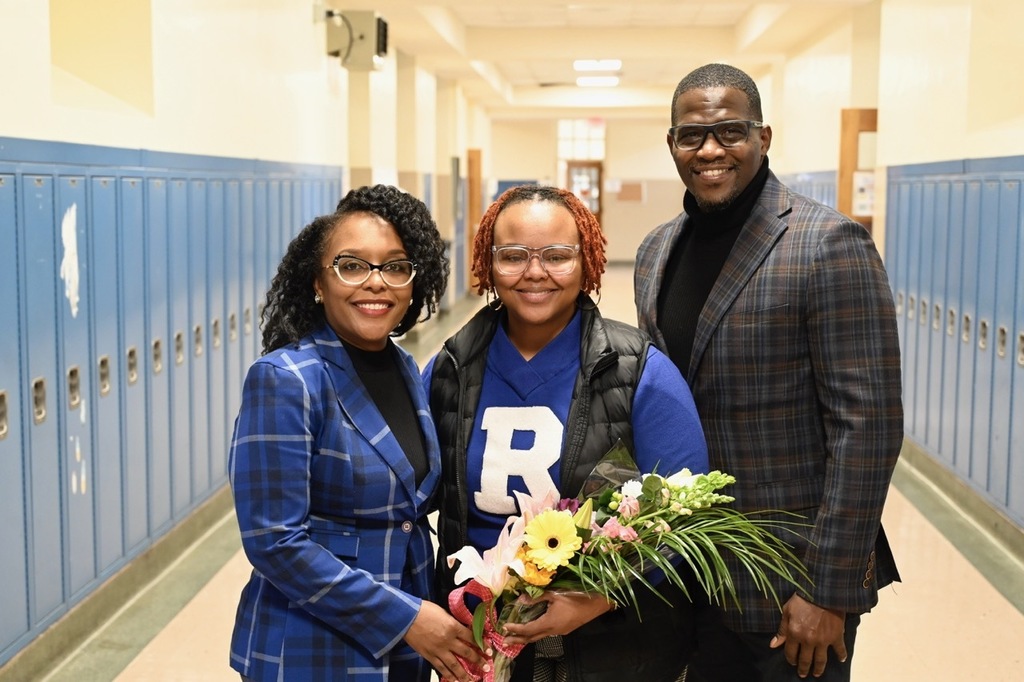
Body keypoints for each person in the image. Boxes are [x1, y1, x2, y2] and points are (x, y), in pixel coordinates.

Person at [634, 63, 903, 681]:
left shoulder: (827, 244)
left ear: (764, 137)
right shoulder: (655, 252)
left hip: (792, 588)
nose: (709, 150)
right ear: (671, 143)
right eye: (690, 135)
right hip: (690, 570)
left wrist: (829, 588)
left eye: (730, 131)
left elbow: (869, 428)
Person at [424, 185, 710, 682]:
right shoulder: (450, 368)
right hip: (479, 651)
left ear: (588, 261)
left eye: (557, 256)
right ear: (488, 264)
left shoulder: (639, 372)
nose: (535, 272)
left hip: (613, 654)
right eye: (513, 256)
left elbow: (689, 522)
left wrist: (597, 598)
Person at [228, 185, 484, 682]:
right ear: (318, 283)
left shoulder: (404, 367)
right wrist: (407, 619)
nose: (376, 283)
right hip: (310, 647)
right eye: (352, 265)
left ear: (414, 282)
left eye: (394, 267)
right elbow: (274, 542)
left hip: (404, 649)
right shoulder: (286, 379)